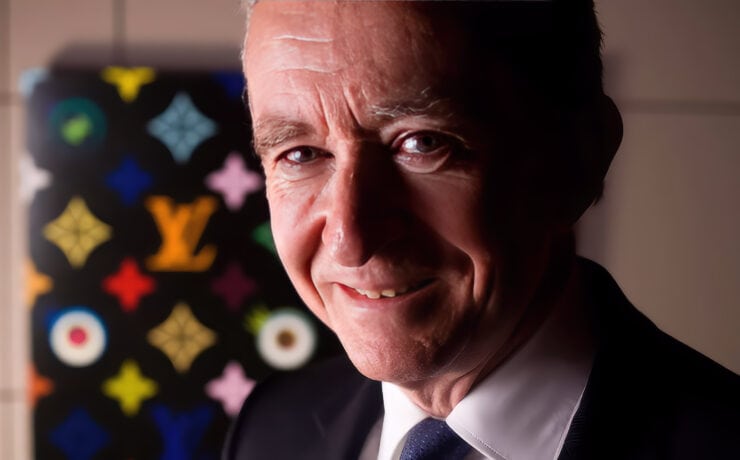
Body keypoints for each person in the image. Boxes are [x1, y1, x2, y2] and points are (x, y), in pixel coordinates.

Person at [224, 1, 740, 459]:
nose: (349, 240)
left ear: (579, 158)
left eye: (423, 144)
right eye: (300, 154)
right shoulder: (271, 429)